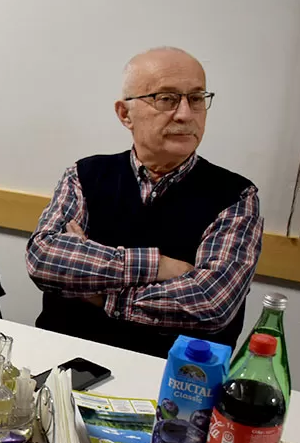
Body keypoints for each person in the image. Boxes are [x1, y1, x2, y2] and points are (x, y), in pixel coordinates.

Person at [26, 47, 263, 358]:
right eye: (165, 98)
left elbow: (210, 301)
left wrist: (102, 297)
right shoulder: (85, 175)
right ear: (125, 114)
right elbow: (45, 258)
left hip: (174, 380)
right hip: (65, 356)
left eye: (195, 98)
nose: (185, 114)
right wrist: (160, 266)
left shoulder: (236, 196)